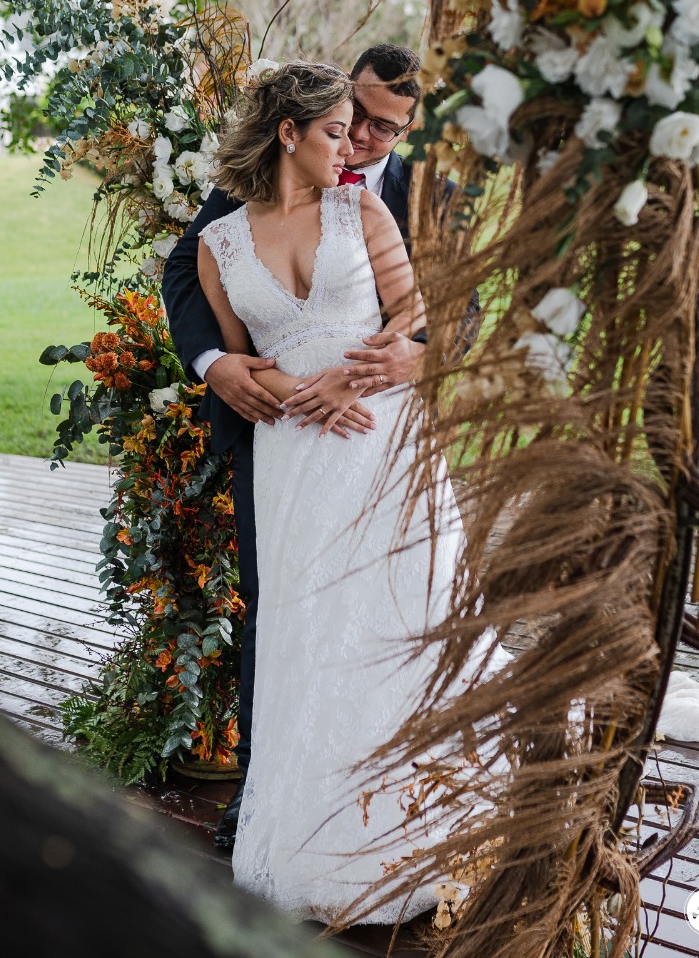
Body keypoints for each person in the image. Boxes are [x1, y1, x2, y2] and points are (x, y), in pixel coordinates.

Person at [193, 61, 500, 923]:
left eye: (367, 132)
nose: (353, 146)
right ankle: (311, 843)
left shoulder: (362, 209)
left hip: (381, 439)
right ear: (289, 132)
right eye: (337, 130)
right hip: (290, 454)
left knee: (401, 616)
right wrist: (296, 387)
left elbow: (416, 317)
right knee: (304, 631)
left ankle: (422, 828)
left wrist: (352, 379)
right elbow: (242, 360)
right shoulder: (219, 245)